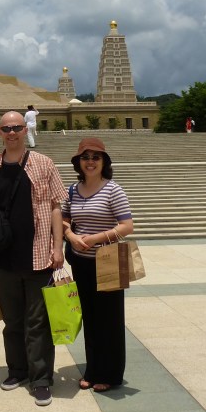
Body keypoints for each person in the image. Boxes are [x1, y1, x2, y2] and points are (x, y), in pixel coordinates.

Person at [0, 111, 66, 406]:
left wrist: (58, 247)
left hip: (39, 256)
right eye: (6, 128)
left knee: (37, 323)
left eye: (16, 127)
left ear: (24, 129)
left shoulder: (43, 163)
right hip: (5, 259)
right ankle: (17, 371)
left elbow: (55, 207)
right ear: (0, 132)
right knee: (12, 322)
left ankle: (41, 379)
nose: (12, 132)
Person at [62, 138, 134, 392]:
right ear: (78, 162)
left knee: (110, 319)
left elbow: (127, 225)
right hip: (81, 262)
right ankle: (92, 370)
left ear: (104, 162)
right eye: (85, 157)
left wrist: (96, 238)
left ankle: (110, 373)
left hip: (107, 262)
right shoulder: (73, 190)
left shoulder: (113, 190)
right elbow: (64, 220)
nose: (90, 162)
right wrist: (71, 236)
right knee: (90, 317)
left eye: (96, 157)